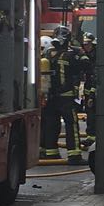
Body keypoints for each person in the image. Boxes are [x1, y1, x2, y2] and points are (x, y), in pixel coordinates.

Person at [40, 36, 82, 164]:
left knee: (51, 124)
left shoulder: (47, 57)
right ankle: (74, 155)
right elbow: (80, 69)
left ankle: (50, 152)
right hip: (66, 97)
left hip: (51, 97)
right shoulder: (70, 57)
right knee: (72, 124)